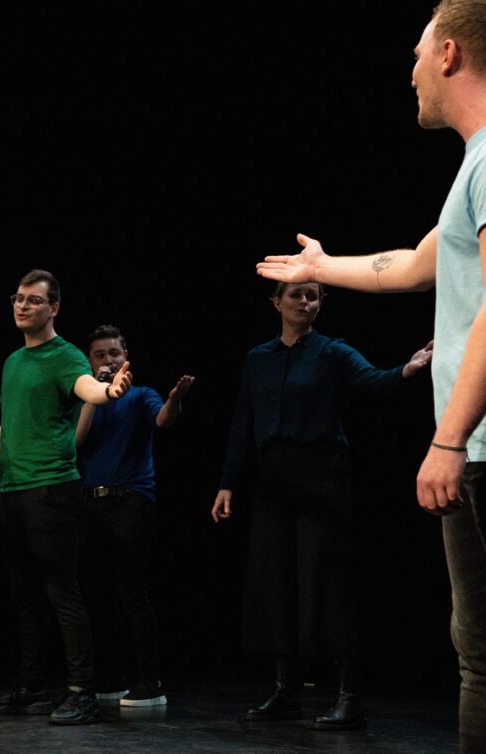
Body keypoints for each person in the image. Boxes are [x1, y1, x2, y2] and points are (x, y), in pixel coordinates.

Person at [255, 2, 485, 743]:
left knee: (480, 656)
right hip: (474, 447)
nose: (410, 70)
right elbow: (416, 266)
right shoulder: (474, 165)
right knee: (476, 648)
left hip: (478, 446)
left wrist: (449, 438)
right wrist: (323, 266)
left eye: (417, 53)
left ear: (449, 55)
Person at [211, 282, 432, 728]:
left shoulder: (332, 351)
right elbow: (243, 422)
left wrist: (407, 369)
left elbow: (372, 380)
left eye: (313, 296)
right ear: (276, 302)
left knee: (327, 582)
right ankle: (285, 690)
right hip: (272, 478)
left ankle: (350, 695)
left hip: (321, 474)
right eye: (296, 295)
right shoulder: (258, 358)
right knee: (276, 582)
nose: (305, 302)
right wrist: (227, 483)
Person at [0, 269, 133, 727]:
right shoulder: (12, 362)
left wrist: (108, 390)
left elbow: (86, 387)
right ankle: (31, 687)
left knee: (62, 592)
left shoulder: (66, 356)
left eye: (34, 300)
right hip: (13, 490)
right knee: (23, 596)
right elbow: (8, 426)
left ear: (54, 308)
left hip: (51, 490)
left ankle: (82, 690)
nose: (23, 306)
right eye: (18, 298)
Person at [75, 324, 193, 707]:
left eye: (114, 353)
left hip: (131, 501)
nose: (108, 361)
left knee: (132, 592)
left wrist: (174, 399)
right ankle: (110, 679)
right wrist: (95, 393)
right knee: (98, 595)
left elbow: (163, 420)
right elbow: (74, 441)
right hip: (90, 503)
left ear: (126, 357)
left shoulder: (141, 394)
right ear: (89, 362)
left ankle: (149, 682)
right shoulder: (85, 400)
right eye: (99, 355)